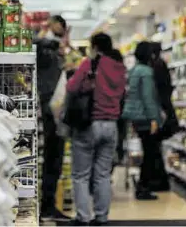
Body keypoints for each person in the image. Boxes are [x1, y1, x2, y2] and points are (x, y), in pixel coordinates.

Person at [66, 33, 126, 226]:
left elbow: (72, 87)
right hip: (111, 125)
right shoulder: (120, 67)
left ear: (94, 47)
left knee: (81, 175)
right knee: (102, 175)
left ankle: (83, 217)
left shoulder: (91, 64)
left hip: (89, 124)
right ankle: (102, 217)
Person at [34, 15, 69, 221]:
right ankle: (47, 207)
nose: (62, 29)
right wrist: (51, 42)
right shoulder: (44, 45)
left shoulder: (56, 50)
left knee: (55, 156)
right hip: (48, 108)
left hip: (56, 107)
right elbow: (30, 40)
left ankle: (48, 205)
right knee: (52, 155)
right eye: (60, 25)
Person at [122, 41, 162, 201]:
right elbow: (148, 97)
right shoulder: (145, 72)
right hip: (145, 117)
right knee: (150, 152)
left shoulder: (133, 70)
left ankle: (142, 185)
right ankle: (143, 187)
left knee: (147, 151)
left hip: (134, 115)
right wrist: (154, 118)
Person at [148, 41, 177, 191]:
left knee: (154, 148)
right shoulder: (161, 65)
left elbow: (157, 92)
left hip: (161, 112)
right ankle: (159, 179)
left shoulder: (155, 66)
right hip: (166, 109)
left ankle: (159, 181)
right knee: (155, 147)